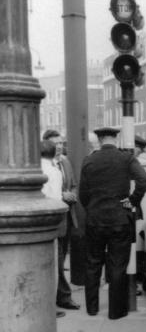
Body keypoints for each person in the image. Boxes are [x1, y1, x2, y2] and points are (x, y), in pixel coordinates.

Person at [79, 126, 146, 319]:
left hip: (95, 219)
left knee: (93, 263)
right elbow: (143, 180)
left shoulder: (89, 160)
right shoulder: (125, 158)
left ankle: (92, 308)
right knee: (118, 264)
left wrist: (92, 207)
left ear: (100, 140)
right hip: (120, 218)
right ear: (115, 140)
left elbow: (82, 194)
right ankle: (116, 311)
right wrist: (131, 202)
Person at [42, 130, 81, 312]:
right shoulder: (43, 166)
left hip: (66, 216)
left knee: (62, 257)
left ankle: (59, 296)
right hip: (52, 218)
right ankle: (63, 297)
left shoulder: (65, 162)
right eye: (55, 143)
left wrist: (72, 194)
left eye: (60, 143)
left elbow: (73, 184)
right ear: (47, 146)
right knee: (56, 261)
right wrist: (61, 195)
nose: (59, 146)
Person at [40, 140, 67, 318]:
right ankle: (49, 305)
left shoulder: (36, 169)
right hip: (51, 222)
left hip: (35, 222)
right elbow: (57, 198)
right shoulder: (54, 171)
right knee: (52, 266)